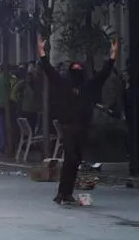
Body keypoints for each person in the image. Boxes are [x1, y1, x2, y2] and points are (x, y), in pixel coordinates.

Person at [37, 36, 117, 205]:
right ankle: (62, 193)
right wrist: (42, 53)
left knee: (75, 161)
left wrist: (112, 57)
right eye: (75, 68)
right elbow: (50, 72)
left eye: (79, 69)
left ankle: (66, 193)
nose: (77, 71)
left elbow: (104, 74)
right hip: (69, 127)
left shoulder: (88, 86)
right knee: (71, 159)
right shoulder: (64, 84)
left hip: (83, 127)